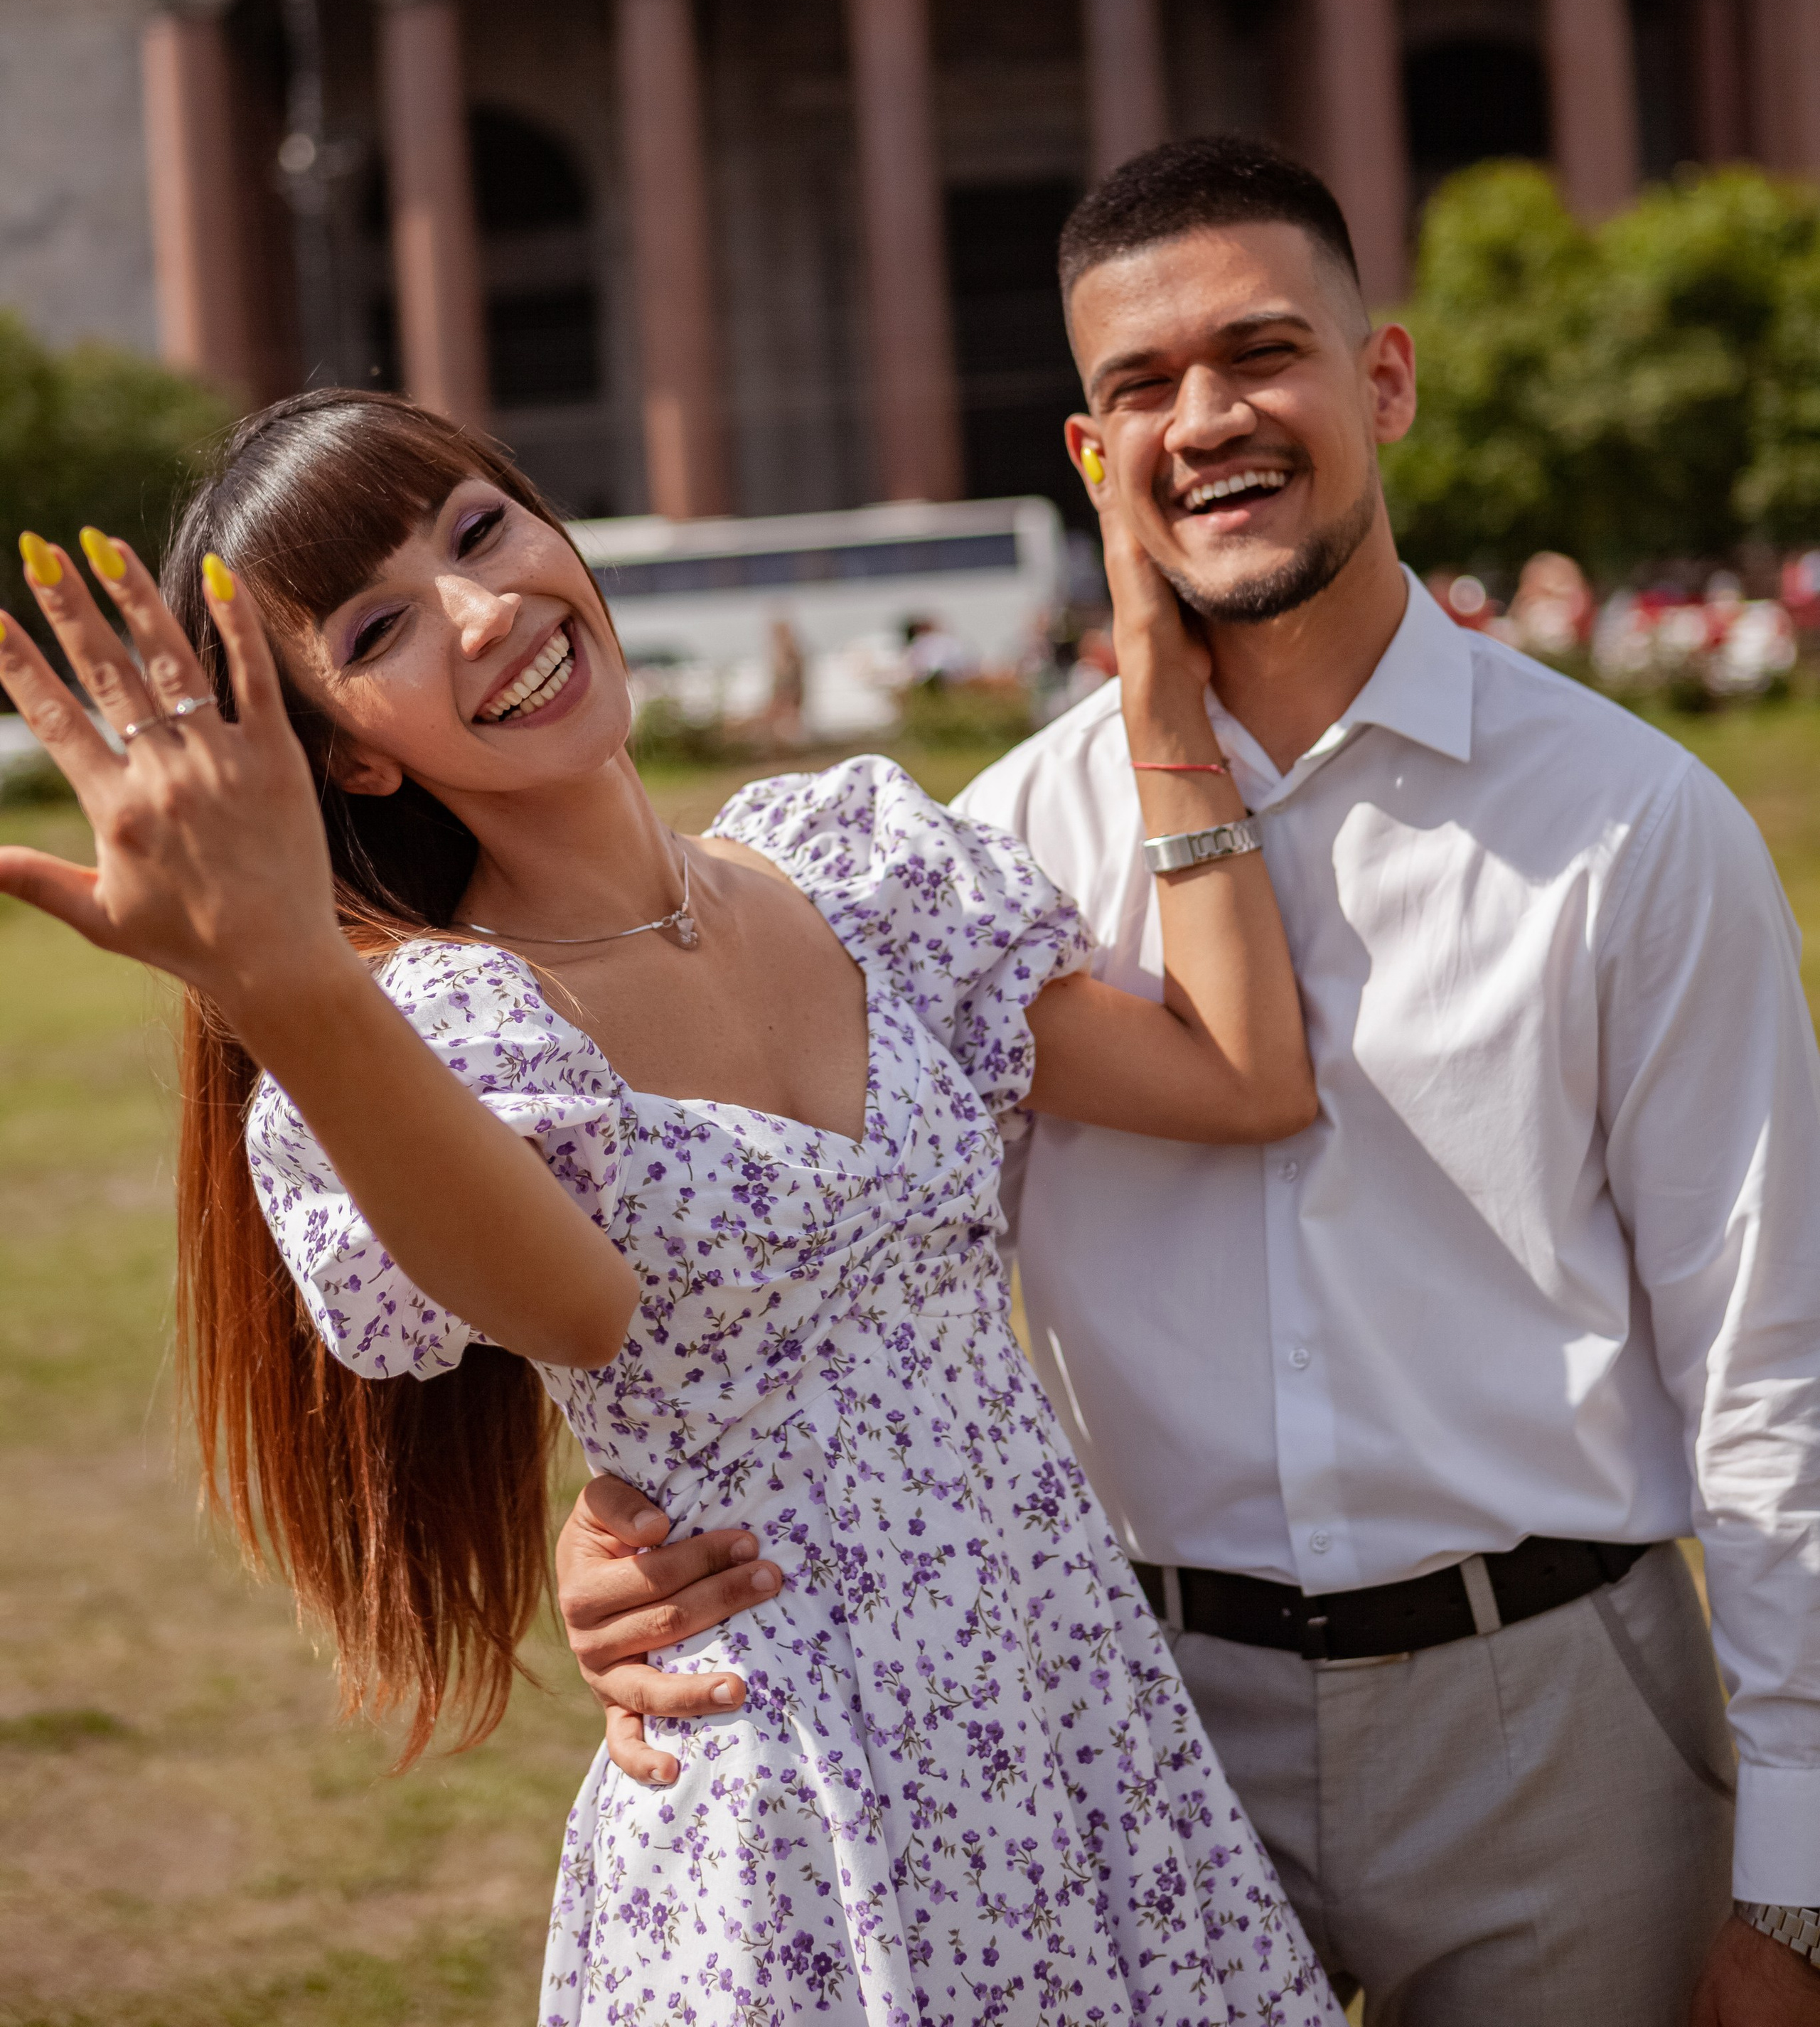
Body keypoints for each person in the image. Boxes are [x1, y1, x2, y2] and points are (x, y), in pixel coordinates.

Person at [557, 138, 1820, 2027]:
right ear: (1092, 454)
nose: (1207, 418)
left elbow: (1772, 1364)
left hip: (1556, 1710)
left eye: (1262, 352)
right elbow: (834, 1286)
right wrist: (623, 1539)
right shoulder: (987, 864)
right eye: (1143, 384)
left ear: (1382, 380)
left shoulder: (1631, 827)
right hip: (1113, 1707)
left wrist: (1797, 1880)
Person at [0, 389, 1340, 2027]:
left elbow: (1240, 1079)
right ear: (348, 749)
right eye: (379, 627)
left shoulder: (852, 874)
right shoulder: (442, 1028)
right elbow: (571, 1306)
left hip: (1071, 1735)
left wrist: (1160, 692)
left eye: (480, 529)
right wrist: (285, 980)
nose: (481, 611)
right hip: (799, 1810)